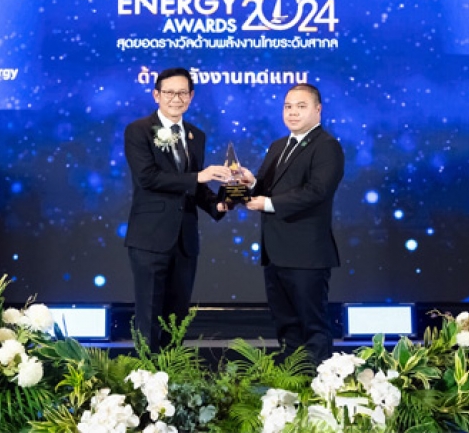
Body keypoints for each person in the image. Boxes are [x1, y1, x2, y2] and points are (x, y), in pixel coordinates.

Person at [123, 67, 232, 349]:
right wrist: (199, 177)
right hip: (150, 239)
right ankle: (147, 375)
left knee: (177, 318)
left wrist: (219, 204)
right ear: (156, 95)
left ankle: (172, 373)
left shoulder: (196, 135)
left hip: (185, 240)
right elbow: (148, 178)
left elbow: (193, 185)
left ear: (191, 96)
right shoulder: (138, 130)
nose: (176, 98)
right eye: (169, 92)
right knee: (149, 315)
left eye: (183, 93)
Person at [243, 83, 345, 366]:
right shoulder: (279, 145)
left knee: (312, 327)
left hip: (306, 255)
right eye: (288, 106)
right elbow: (266, 187)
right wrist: (249, 183)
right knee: (286, 327)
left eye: (301, 106)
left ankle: (318, 385)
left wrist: (267, 203)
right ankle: (291, 380)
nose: (292, 112)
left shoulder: (327, 146)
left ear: (318, 109)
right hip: (275, 253)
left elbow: (317, 191)